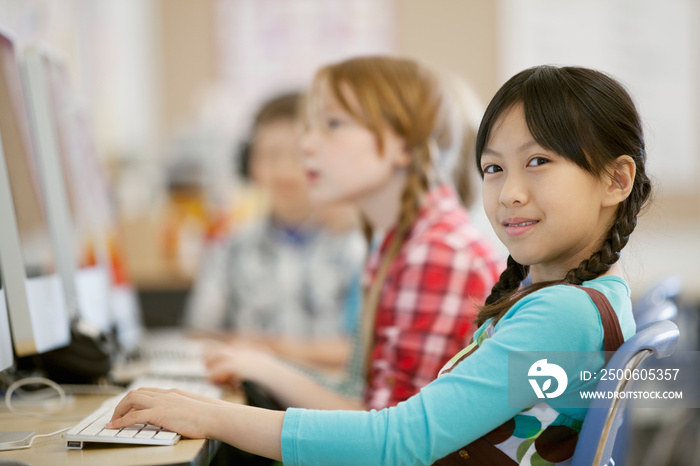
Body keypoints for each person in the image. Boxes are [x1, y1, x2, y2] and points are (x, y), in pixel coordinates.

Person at [108, 63, 651, 465]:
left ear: (615, 179)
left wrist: (209, 414)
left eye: (538, 162)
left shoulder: (559, 313)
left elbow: (400, 439)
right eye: (492, 168)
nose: (509, 193)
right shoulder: (590, 295)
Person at [202, 56, 503, 410]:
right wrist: (262, 367)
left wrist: (221, 409)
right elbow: (360, 391)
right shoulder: (394, 244)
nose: (306, 146)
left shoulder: (438, 252)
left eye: (333, 123)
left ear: (402, 145)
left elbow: (390, 436)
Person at [184, 92, 366, 373]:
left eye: (298, 154)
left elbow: (360, 351)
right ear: (250, 165)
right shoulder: (229, 248)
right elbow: (200, 335)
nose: (284, 169)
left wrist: (269, 348)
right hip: (245, 397)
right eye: (269, 155)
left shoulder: (356, 249)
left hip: (328, 404)